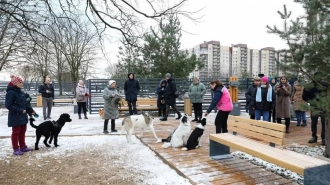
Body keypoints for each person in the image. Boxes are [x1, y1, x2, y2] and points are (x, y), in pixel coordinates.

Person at [5, 75, 36, 155]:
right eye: (20, 82)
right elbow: (8, 105)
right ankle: (16, 148)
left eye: (22, 82)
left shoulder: (21, 92)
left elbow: (25, 103)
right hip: (15, 116)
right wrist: (20, 110)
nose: (22, 84)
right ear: (15, 83)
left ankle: (23, 146)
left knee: (22, 131)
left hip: (23, 116)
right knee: (16, 133)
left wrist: (31, 111)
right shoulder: (11, 93)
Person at [302, 72, 328, 145]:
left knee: (324, 122)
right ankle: (314, 136)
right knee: (314, 122)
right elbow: (304, 96)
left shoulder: (325, 85)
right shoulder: (309, 86)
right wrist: (311, 101)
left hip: (323, 106)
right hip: (314, 106)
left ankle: (324, 138)